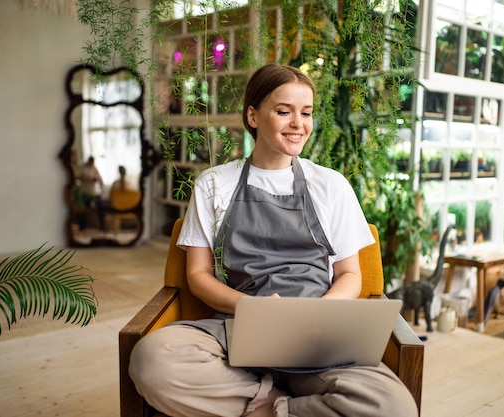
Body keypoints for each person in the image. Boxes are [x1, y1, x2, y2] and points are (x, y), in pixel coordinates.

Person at [129, 64, 418, 417]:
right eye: (284, 111)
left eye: (306, 112)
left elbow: (350, 275)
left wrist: (316, 313)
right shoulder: (214, 183)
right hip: (238, 327)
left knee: (393, 407)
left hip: (315, 333)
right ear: (253, 115)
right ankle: (266, 396)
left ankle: (271, 408)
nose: (299, 124)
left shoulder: (331, 185)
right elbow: (198, 275)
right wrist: (253, 309)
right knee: (151, 361)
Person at [75, 156, 105, 230]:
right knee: (83, 210)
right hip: (85, 192)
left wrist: (99, 181)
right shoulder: (82, 168)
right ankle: (82, 227)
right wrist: (89, 180)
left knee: (101, 207)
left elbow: (100, 178)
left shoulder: (95, 169)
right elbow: (78, 178)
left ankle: (102, 226)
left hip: (95, 192)